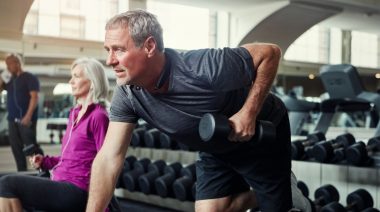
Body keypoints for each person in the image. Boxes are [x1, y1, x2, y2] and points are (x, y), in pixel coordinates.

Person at [87, 9, 293, 212]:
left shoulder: (203, 67)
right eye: (108, 50)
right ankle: (267, 192)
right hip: (215, 144)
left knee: (275, 206)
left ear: (149, 46)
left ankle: (281, 191)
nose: (110, 60)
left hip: (260, 135)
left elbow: (270, 53)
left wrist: (249, 113)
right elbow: (108, 158)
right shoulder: (128, 95)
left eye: (119, 50)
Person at [0, 57, 110, 212]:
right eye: (71, 76)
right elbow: (70, 159)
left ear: (93, 82)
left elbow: (107, 165)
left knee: (7, 184)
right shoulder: (74, 114)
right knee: (3, 183)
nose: (71, 81)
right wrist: (45, 162)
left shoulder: (99, 116)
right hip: (59, 179)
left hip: (77, 188)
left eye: (76, 76)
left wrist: (100, 207)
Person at [0, 53, 41, 172]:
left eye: (10, 64)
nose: (8, 67)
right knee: (16, 148)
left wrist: (28, 116)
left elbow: (34, 98)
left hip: (26, 119)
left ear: (17, 63)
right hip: (12, 120)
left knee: (31, 147)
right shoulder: (9, 80)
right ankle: (22, 173)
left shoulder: (29, 77)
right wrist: (3, 77)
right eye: (6, 64)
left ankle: (43, 170)